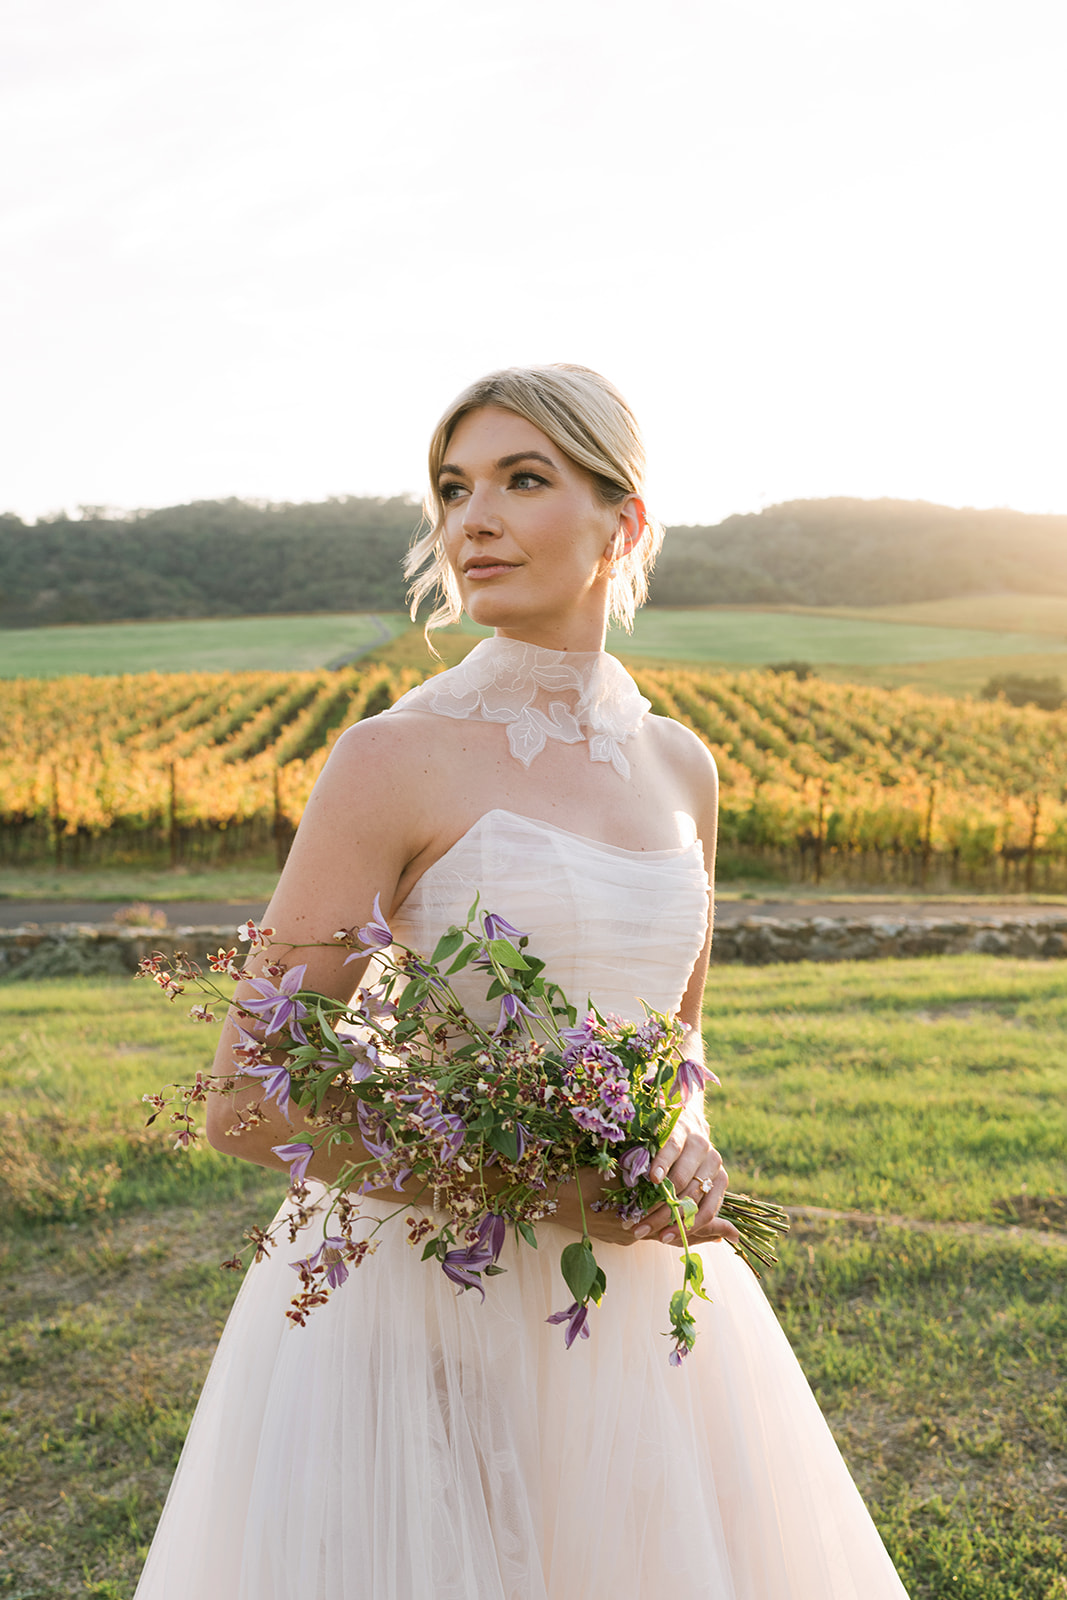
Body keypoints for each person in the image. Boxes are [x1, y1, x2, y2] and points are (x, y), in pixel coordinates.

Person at [134, 365, 910, 1598]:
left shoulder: (682, 767)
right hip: (422, 1302)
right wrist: (548, 1183)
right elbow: (247, 1097)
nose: (470, 520)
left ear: (624, 521)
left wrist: (687, 1139)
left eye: (522, 478)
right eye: (452, 489)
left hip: (637, 1308)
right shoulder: (389, 759)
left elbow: (680, 1046)